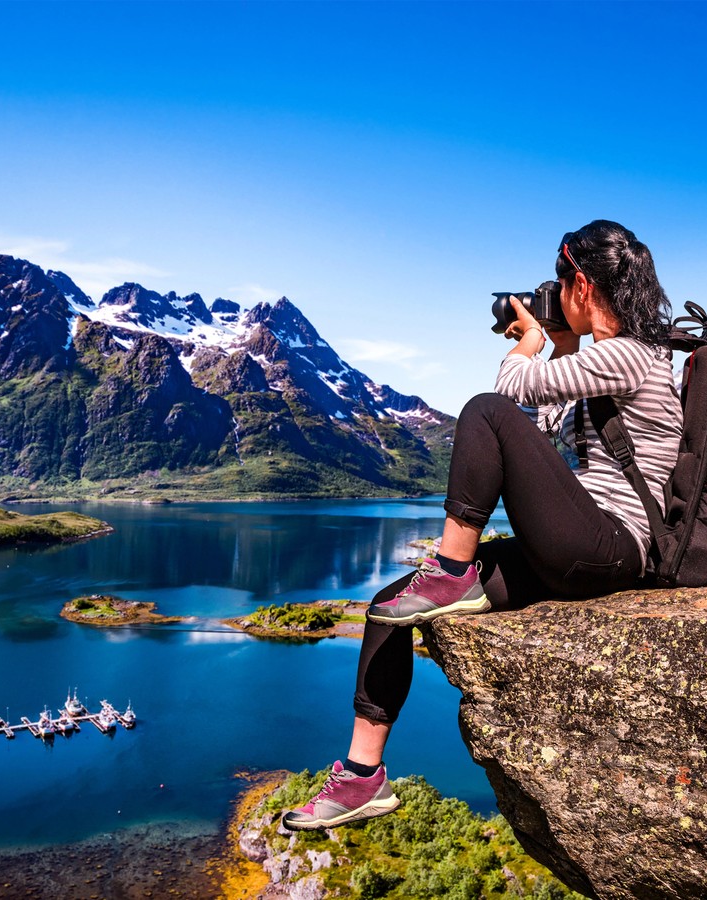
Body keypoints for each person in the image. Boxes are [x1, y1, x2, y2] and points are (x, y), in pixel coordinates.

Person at [283, 219, 683, 831]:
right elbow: (540, 435)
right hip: (579, 544)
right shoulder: (607, 359)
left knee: (484, 410)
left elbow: (510, 392)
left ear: (579, 283)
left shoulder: (633, 354)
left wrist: (528, 345)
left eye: (558, 283)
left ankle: (450, 568)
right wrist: (562, 343)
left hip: (613, 546)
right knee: (391, 604)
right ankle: (363, 777)